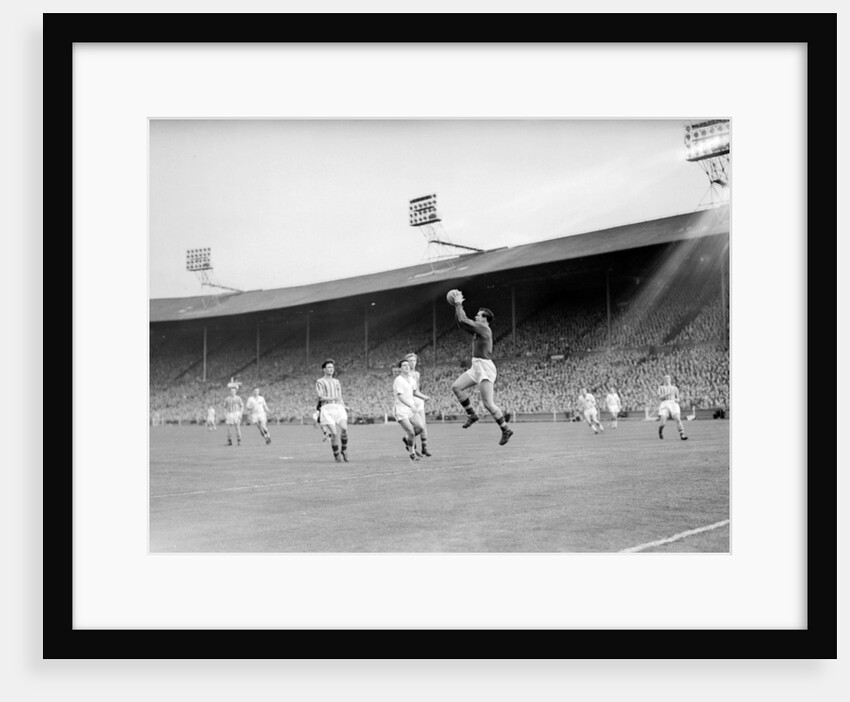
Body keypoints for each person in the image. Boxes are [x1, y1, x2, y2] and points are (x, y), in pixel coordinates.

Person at [449, 294, 513, 446]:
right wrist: (457, 307)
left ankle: (506, 429)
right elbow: (461, 323)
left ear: (484, 319)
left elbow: (463, 320)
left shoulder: (484, 328)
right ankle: (472, 415)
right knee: (456, 387)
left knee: (488, 404)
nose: (476, 317)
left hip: (484, 367)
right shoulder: (479, 329)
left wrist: (458, 304)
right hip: (476, 365)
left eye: (478, 315)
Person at [394, 359, 430, 461]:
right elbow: (400, 397)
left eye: (408, 365)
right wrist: (411, 405)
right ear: (400, 368)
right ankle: (412, 454)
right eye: (404, 365)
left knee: (421, 427)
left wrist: (424, 397)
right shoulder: (398, 380)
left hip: (410, 409)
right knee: (411, 432)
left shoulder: (411, 379)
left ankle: (407, 439)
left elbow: (415, 392)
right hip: (401, 410)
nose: (407, 367)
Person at [316, 359, 350, 462]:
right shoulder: (320, 382)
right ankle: (336, 454)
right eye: (329, 367)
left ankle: (344, 449)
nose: (331, 369)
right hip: (327, 409)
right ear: (324, 369)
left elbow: (340, 397)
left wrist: (344, 406)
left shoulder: (336, 382)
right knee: (334, 433)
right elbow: (321, 397)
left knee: (344, 428)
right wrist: (333, 398)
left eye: (332, 367)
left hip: (338, 407)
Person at [404, 352, 432, 457]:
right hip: (411, 402)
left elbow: (417, 389)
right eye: (410, 361)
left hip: (418, 401)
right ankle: (412, 447)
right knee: (416, 426)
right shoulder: (405, 375)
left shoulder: (417, 374)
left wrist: (422, 398)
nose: (412, 363)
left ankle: (424, 448)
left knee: (423, 425)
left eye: (414, 360)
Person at [657, 374, 688, 440]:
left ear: (670, 380)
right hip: (664, 403)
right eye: (665, 378)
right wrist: (668, 394)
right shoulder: (661, 388)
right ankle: (660, 431)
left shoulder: (675, 388)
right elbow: (659, 397)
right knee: (663, 423)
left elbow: (678, 398)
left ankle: (682, 434)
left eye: (668, 378)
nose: (667, 379)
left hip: (673, 403)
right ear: (664, 380)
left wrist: (677, 400)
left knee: (677, 418)